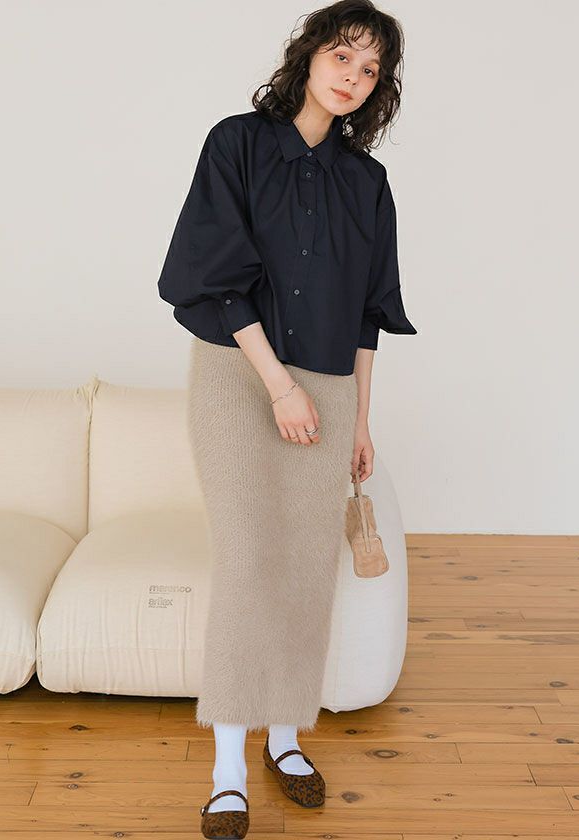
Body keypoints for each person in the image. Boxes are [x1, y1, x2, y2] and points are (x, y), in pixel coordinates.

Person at [157, 1, 417, 835]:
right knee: (248, 564)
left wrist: (360, 422)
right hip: (240, 376)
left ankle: (285, 738)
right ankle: (227, 770)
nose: (353, 77)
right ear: (307, 57)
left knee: (307, 567)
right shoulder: (236, 144)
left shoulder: (367, 184)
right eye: (342, 56)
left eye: (370, 70)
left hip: (330, 388)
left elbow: (371, 315)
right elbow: (211, 273)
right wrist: (278, 385)